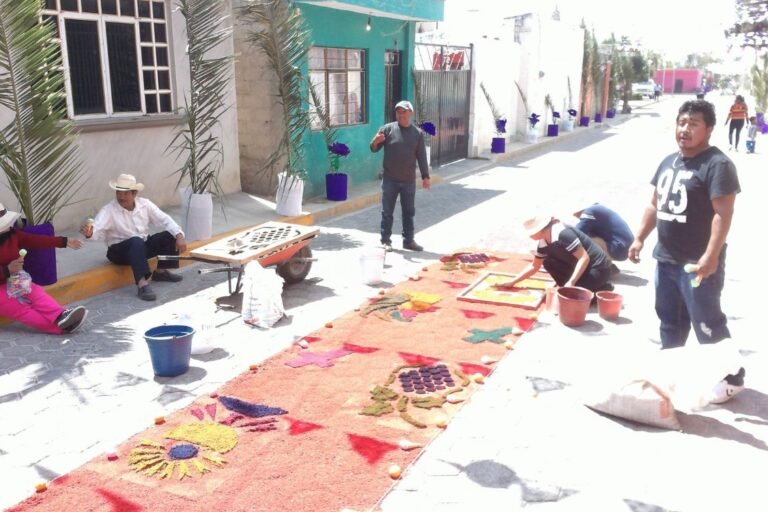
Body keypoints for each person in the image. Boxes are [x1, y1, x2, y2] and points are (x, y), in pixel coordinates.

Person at [628, 99, 743, 403]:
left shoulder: (717, 165)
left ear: (709, 129)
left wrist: (711, 255)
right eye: (682, 122)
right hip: (665, 259)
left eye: (693, 124)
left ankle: (732, 376)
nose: (685, 129)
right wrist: (639, 238)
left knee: (707, 322)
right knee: (669, 320)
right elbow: (655, 205)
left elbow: (723, 213)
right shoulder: (669, 161)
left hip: (696, 265)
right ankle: (671, 370)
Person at [81, 174, 187, 301]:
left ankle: (161, 272)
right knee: (136, 241)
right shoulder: (109, 210)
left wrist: (179, 235)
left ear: (134, 193)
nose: (121, 197)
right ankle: (142, 284)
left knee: (171, 234)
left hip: (140, 246)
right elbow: (97, 227)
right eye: (118, 193)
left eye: (125, 193)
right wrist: (90, 233)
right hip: (119, 251)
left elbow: (164, 219)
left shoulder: (145, 204)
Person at [0, 203, 88, 334]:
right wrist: (6, 270)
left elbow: (34, 240)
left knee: (35, 291)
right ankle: (61, 327)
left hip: (11, 279)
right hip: (4, 279)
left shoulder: (11, 234)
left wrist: (64, 241)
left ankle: (61, 316)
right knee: (19, 309)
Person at [370, 100, 430, 252]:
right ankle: (385, 241)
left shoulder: (417, 134)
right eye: (398, 112)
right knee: (387, 212)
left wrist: (425, 177)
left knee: (409, 212)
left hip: (408, 180)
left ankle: (408, 241)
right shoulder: (387, 129)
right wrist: (375, 141)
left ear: (410, 113)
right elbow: (373, 148)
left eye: (404, 112)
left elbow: (421, 156)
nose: (401, 115)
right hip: (390, 179)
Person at [497, 216, 613, 293]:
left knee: (571, 296)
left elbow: (584, 258)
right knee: (548, 262)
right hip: (582, 268)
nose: (529, 236)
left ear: (540, 230)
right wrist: (512, 282)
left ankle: (600, 288)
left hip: (598, 267)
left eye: (531, 233)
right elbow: (534, 266)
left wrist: (571, 282)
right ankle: (580, 286)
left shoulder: (562, 233)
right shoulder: (543, 242)